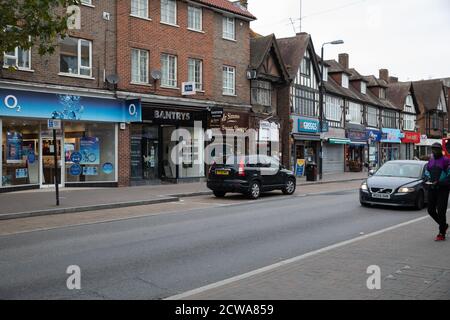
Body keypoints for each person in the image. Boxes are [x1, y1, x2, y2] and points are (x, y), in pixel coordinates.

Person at [425, 142, 450, 241]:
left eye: (436, 149)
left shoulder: (446, 160)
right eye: (433, 149)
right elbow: (427, 172)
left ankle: (441, 233)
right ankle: (444, 225)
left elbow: (449, 174)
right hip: (432, 188)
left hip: (443, 189)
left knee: (441, 211)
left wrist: (439, 182)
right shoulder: (431, 161)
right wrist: (428, 179)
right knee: (430, 210)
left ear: (441, 150)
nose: (434, 151)